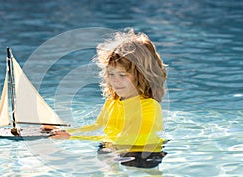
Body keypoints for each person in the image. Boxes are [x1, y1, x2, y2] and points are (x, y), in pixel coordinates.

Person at [42, 29, 167, 168]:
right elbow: (97, 127)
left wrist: (72, 137)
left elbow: (128, 138)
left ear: (142, 75)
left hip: (142, 153)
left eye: (122, 75)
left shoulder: (149, 107)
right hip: (111, 146)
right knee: (104, 173)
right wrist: (64, 131)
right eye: (111, 74)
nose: (115, 81)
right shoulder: (112, 102)